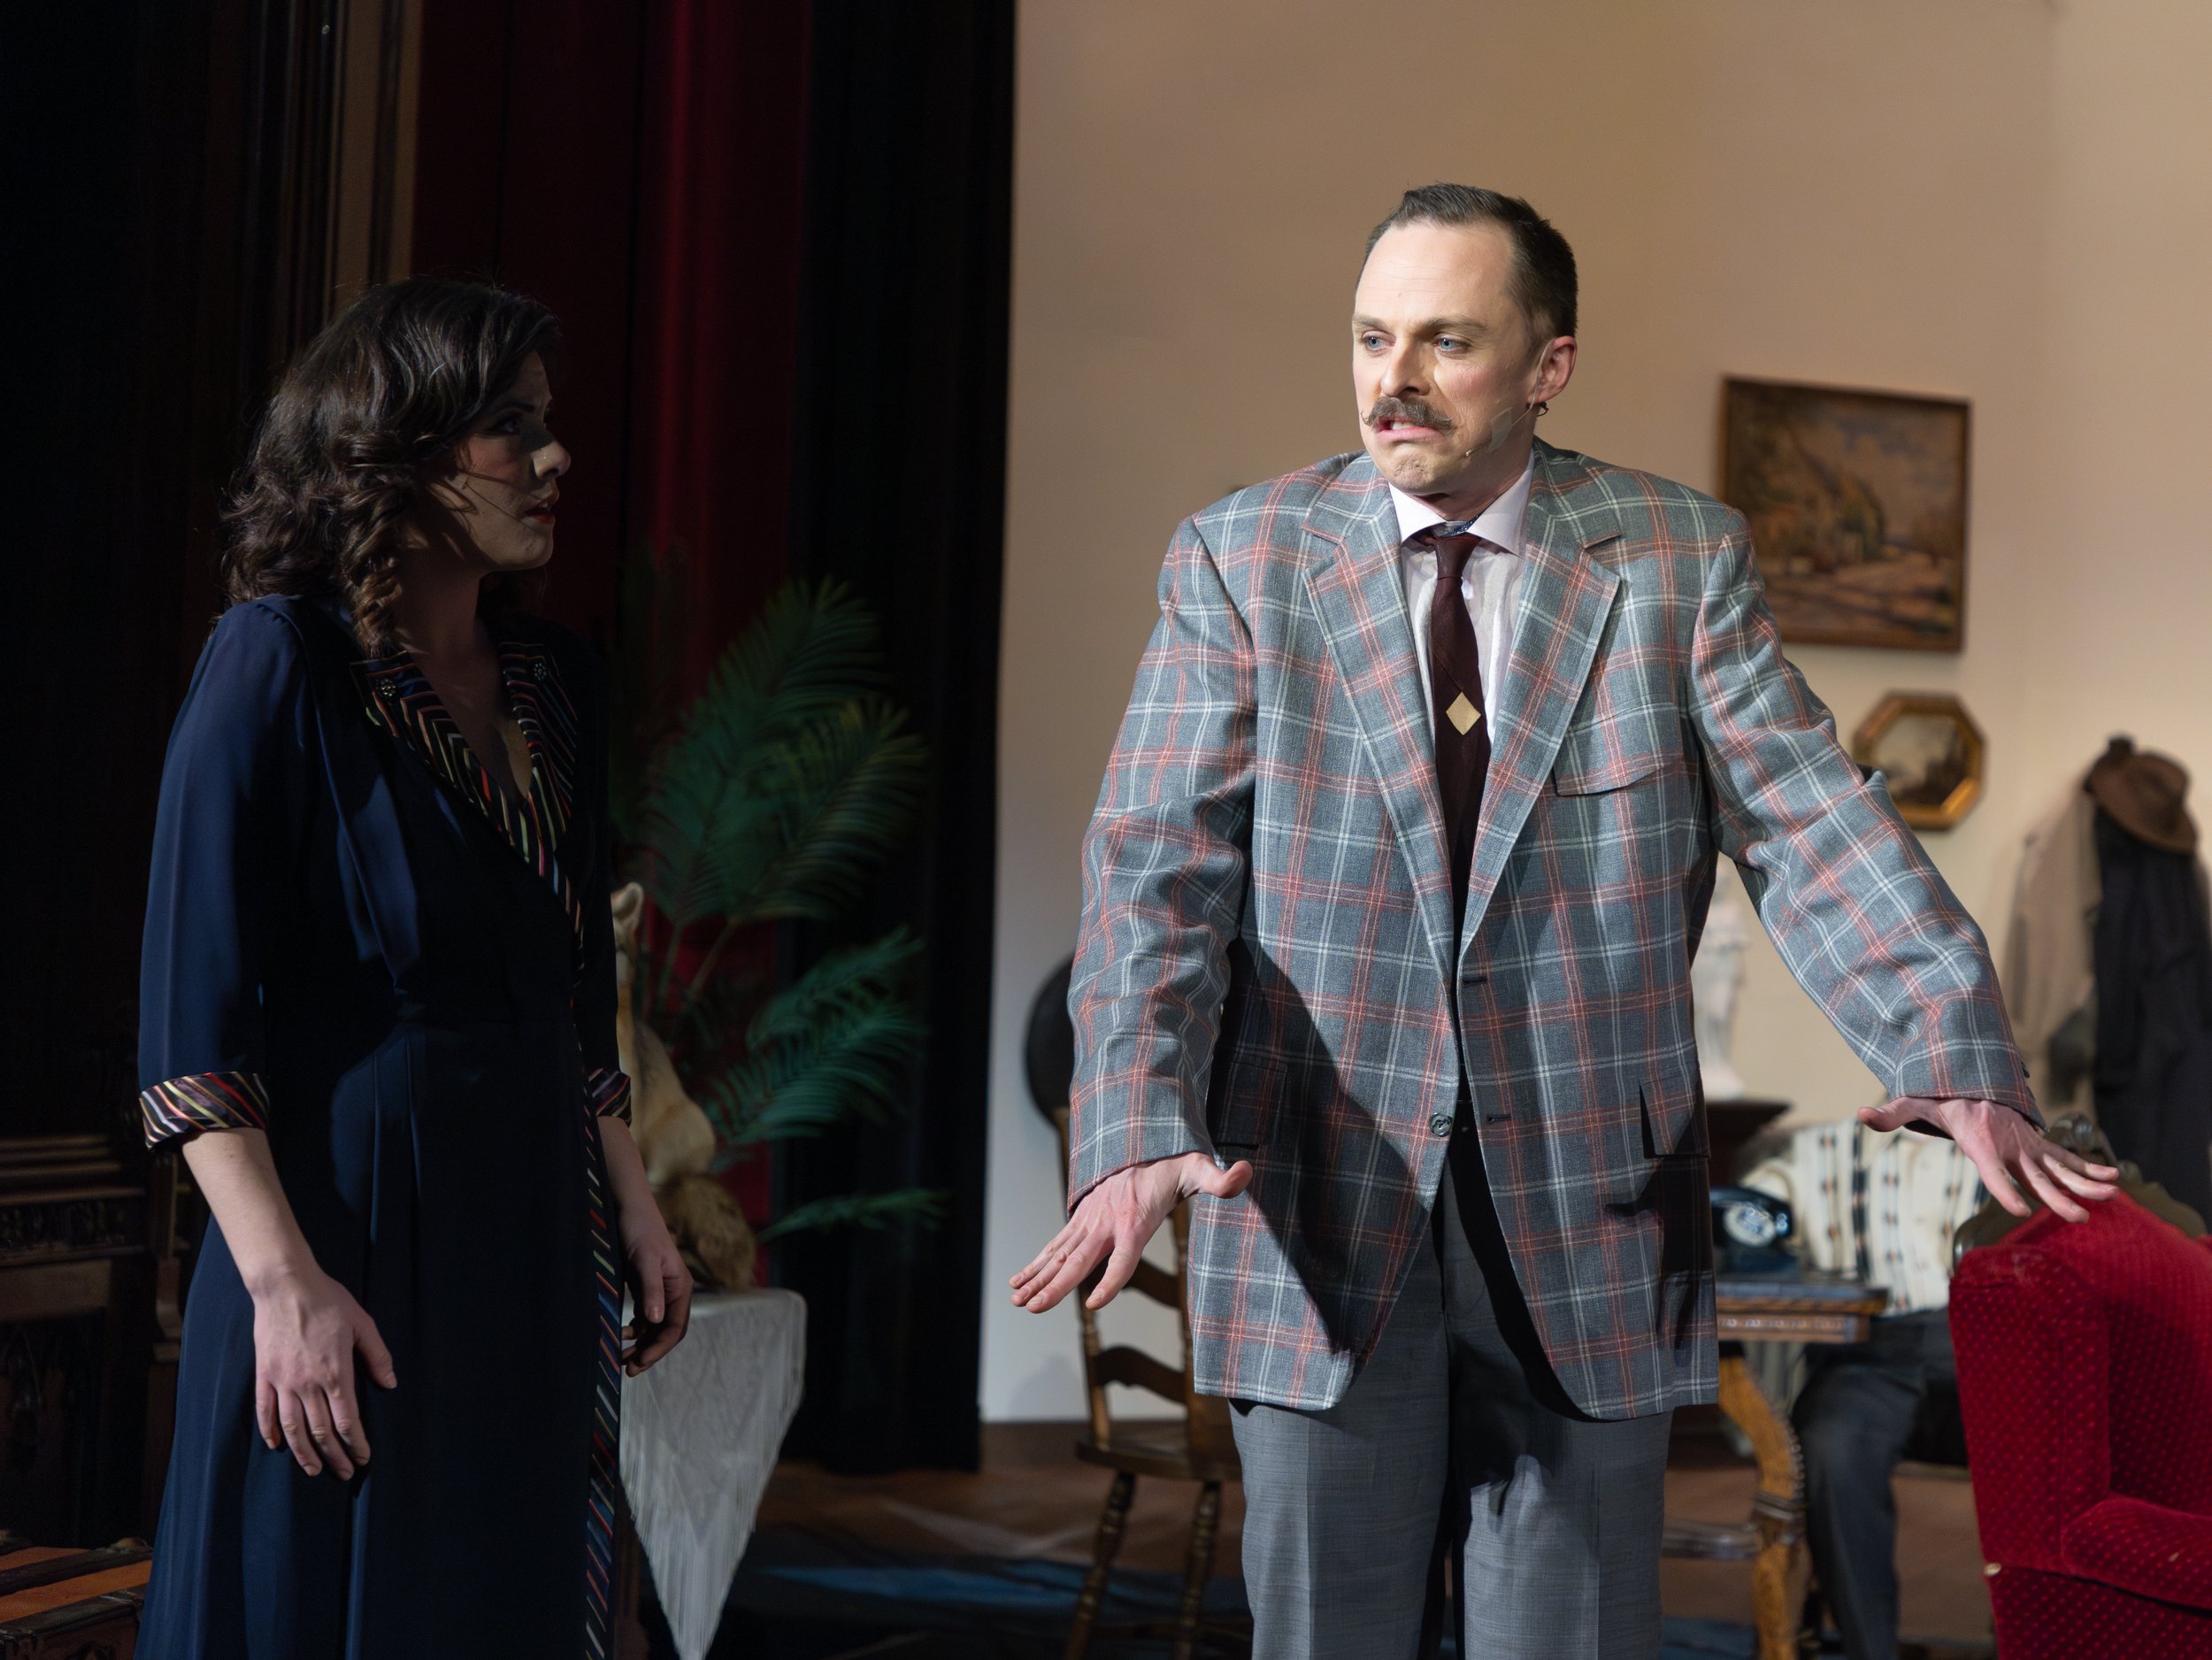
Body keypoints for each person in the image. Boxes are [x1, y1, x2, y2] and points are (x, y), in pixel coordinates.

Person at [1011, 184, 2118, 1658]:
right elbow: (1158, 871)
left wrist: (1953, 1042)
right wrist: (1138, 1120)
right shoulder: (1244, 558)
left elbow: (1813, 820)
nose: (1393, 381)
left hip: (1594, 1219)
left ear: (1549, 366)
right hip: (1319, 1211)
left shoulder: (1675, 559)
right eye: (1371, 338)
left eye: (1447, 342)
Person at [134, 278, 691, 1658]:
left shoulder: (556, 683)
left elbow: (572, 980)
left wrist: (633, 1201)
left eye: (549, 425)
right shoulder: (278, 663)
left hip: (527, 1232)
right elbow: (189, 1030)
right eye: (512, 429)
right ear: (400, 448)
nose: (556, 459)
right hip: (346, 1233)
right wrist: (284, 1289)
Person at [1741, 1119, 1982, 1660]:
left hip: (1984, 1346)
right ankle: (1869, 1649)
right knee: (1831, 1447)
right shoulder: (1821, 1150)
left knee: (2063, 1438)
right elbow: (1744, 1216)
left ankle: (2036, 1634)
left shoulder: (2000, 1147)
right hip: (1867, 1351)